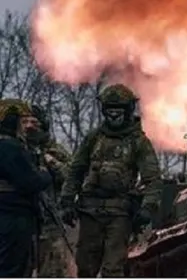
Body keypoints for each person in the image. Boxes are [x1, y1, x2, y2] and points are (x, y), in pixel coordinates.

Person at [59, 83, 162, 278]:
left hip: (120, 214)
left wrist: (148, 208)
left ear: (128, 110)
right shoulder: (93, 138)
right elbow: (76, 170)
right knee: (85, 267)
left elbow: (153, 179)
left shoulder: (138, 141)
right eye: (110, 110)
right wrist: (66, 201)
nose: (114, 115)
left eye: (118, 110)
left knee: (113, 269)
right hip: (90, 211)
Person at [0, 99, 52, 277]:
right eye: (22, 122)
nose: (26, 127)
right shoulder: (9, 148)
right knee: (13, 268)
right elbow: (31, 182)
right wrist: (45, 173)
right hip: (12, 216)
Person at [26, 104, 72, 278]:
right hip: (23, 221)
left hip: (50, 223)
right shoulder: (16, 149)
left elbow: (72, 176)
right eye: (26, 122)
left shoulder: (54, 150)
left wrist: (50, 163)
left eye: (34, 122)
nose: (30, 127)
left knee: (53, 270)